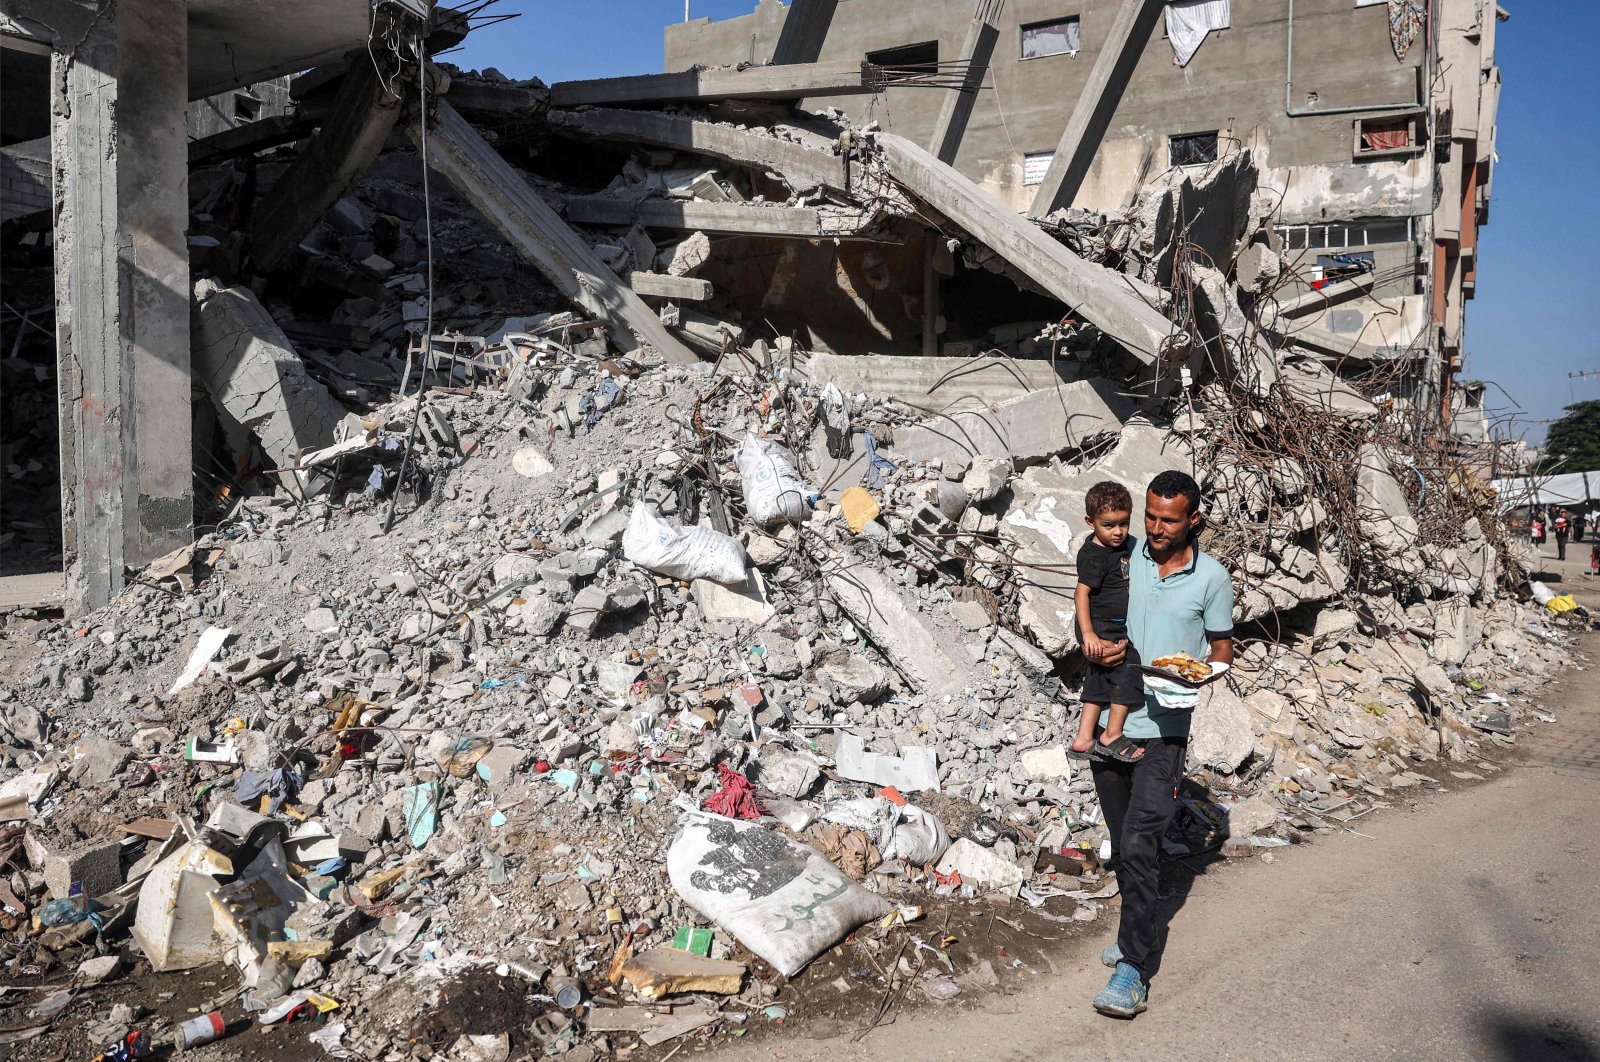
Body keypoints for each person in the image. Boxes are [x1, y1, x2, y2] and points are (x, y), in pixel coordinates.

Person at [1087, 470, 1234, 1020]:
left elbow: (1222, 649)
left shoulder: (1212, 579)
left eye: (1167, 520)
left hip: (1164, 730)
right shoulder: (1128, 556)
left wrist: (1203, 675)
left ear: (1192, 520)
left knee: (1143, 841)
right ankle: (1138, 931)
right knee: (1122, 844)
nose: (1153, 528)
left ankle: (1133, 968)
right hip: (1112, 723)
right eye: (1149, 516)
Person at [1070, 481, 1144, 764]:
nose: (1118, 532)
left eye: (1124, 523)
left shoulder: (1123, 545)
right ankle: (1112, 733)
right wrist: (1088, 633)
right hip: (1102, 624)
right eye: (1109, 525)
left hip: (1107, 623)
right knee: (1129, 667)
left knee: (1098, 678)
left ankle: (1083, 738)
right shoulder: (1094, 555)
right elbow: (1081, 593)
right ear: (1090, 522)